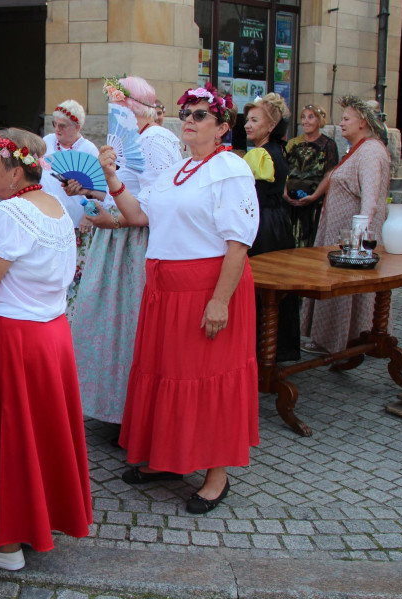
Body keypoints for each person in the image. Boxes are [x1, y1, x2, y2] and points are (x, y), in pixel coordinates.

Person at [102, 85, 259, 515]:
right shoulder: (175, 171)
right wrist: (113, 179)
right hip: (165, 292)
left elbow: (238, 241)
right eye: (186, 112)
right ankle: (170, 460)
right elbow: (138, 215)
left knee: (206, 379)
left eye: (201, 114)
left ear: (222, 127)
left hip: (206, 288)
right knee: (166, 373)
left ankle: (216, 474)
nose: (189, 119)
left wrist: (220, 301)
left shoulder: (229, 169)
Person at [0, 128, 92, 571]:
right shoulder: (55, 207)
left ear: (14, 173)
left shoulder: (10, 214)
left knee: (5, 437)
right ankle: (31, 523)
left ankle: (7, 542)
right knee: (38, 434)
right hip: (49, 335)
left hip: (11, 340)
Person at [70, 76, 179, 427]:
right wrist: (93, 191)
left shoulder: (156, 140)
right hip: (117, 241)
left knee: (127, 324)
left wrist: (113, 220)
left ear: (133, 108)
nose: (114, 112)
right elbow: (126, 189)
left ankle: (135, 413)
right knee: (110, 322)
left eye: (118, 105)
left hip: (133, 245)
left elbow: (157, 204)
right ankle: (117, 408)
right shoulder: (139, 139)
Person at [301, 96, 391, 354]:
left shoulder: (371, 151)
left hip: (351, 240)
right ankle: (333, 338)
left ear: (362, 122)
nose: (341, 123)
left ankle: (340, 340)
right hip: (340, 235)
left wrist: (358, 240)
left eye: (346, 119)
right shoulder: (360, 149)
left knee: (343, 287)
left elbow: (371, 198)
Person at [241, 93, 299, 361]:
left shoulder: (259, 155)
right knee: (278, 287)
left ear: (271, 126)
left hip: (261, 225)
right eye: (247, 120)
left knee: (259, 286)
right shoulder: (278, 151)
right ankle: (277, 348)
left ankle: (259, 351)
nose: (247, 125)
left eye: (254, 120)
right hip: (278, 223)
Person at [284, 104, 339, 247]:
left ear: (319, 120)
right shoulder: (293, 143)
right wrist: (285, 194)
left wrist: (314, 196)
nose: (305, 121)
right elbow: (283, 169)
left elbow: (330, 173)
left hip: (314, 204)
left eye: (310, 117)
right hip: (290, 202)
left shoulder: (328, 144)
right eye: (303, 117)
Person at [40, 100, 101, 228]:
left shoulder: (88, 150)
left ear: (77, 127)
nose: (57, 129)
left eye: (62, 126)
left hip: (76, 220)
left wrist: (89, 216)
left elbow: (99, 187)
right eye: (55, 124)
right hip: (47, 216)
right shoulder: (47, 141)